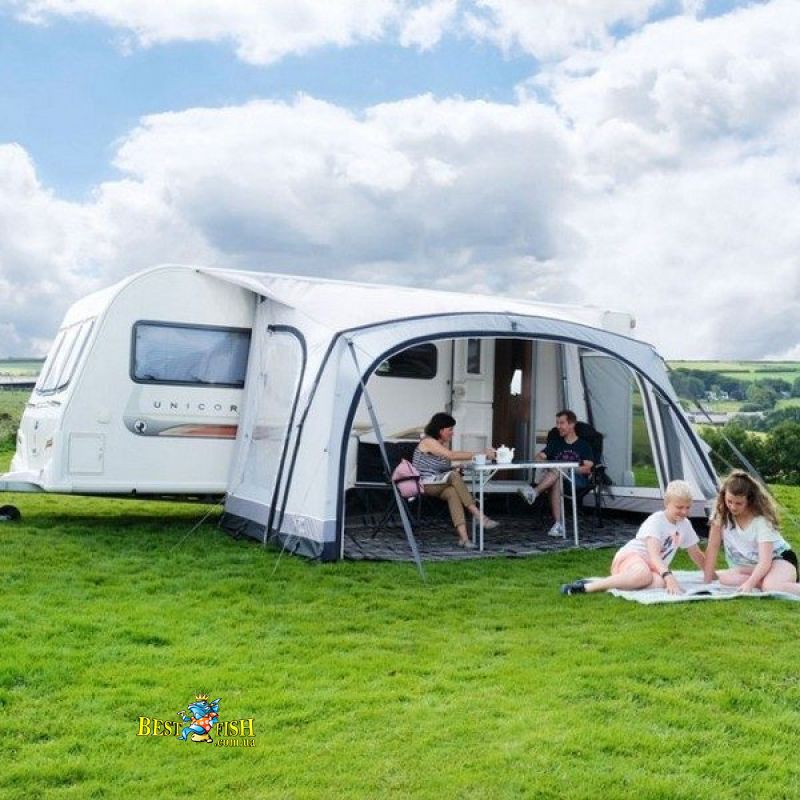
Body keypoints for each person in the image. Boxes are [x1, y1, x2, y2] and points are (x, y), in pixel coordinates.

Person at [560, 479, 706, 595]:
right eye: (679, 507)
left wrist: (711, 573)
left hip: (652, 567)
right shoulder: (657, 521)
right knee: (645, 575)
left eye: (687, 507)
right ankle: (588, 587)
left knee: (660, 583)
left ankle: (617, 582)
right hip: (630, 558)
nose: (684, 512)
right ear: (667, 503)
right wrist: (668, 575)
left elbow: (696, 553)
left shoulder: (685, 524)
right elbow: (654, 556)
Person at [702, 470, 800, 595]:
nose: (733, 507)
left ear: (749, 500)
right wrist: (707, 581)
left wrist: (749, 584)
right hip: (751, 565)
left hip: (778, 559)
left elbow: (765, 561)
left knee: (771, 587)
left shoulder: (762, 521)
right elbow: (712, 547)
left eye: (739, 503)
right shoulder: (720, 515)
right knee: (725, 579)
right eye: (729, 501)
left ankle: (772, 581)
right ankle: (766, 581)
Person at [412, 412, 497, 549]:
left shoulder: (440, 445)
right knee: (454, 476)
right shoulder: (428, 442)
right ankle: (478, 515)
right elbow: (451, 456)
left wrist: (456, 467)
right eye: (450, 429)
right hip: (423, 484)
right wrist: (482, 454)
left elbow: (440, 468)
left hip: (436, 483)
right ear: (441, 430)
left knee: (452, 492)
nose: (453, 433)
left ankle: (464, 539)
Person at [518, 409, 594, 537]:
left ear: (571, 424)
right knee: (557, 478)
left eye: (561, 423)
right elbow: (538, 457)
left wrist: (566, 469)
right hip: (556, 478)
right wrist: (549, 465)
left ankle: (534, 492)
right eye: (557, 423)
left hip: (577, 480)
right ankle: (558, 525)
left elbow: (587, 468)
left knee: (558, 471)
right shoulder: (556, 443)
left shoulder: (583, 445)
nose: (558, 426)